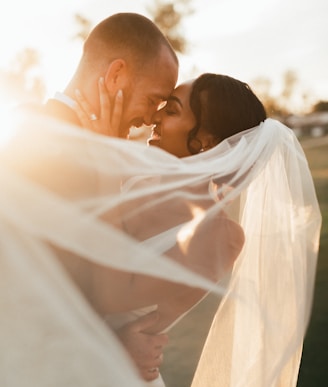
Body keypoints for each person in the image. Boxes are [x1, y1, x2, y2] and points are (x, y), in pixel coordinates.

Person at [1, 72, 321, 386]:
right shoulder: (137, 183)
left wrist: (106, 164)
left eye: (171, 111)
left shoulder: (221, 235)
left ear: (206, 142)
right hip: (60, 349)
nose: (155, 117)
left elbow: (113, 294)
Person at [24, 12, 179, 382]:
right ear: (115, 75)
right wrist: (114, 341)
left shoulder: (96, 149)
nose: (149, 120)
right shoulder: (33, 145)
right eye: (153, 99)